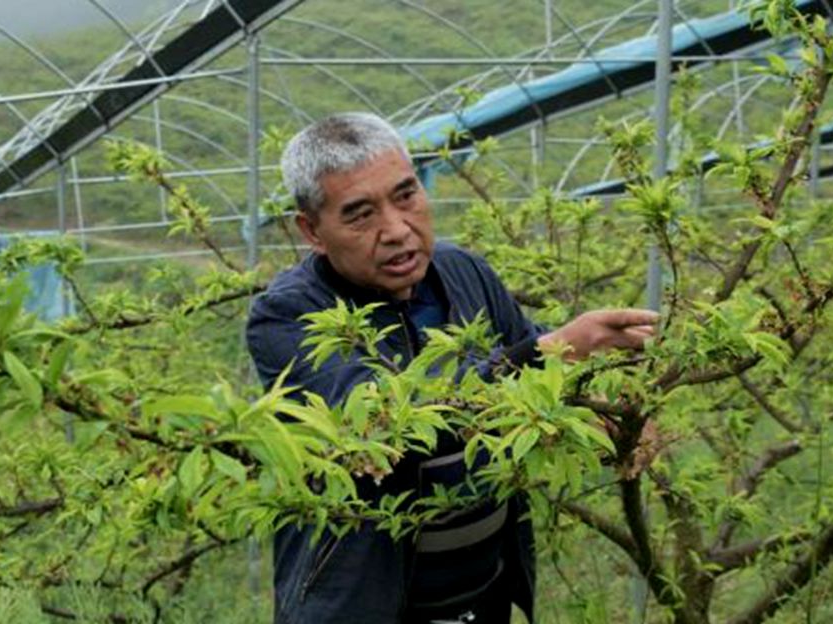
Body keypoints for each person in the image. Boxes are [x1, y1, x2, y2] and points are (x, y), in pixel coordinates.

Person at [246, 112, 657, 624]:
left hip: (480, 601)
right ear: (312, 230)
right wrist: (550, 351)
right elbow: (385, 423)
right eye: (360, 214)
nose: (397, 230)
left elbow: (534, 372)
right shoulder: (288, 316)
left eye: (406, 195)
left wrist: (602, 407)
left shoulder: (464, 273)